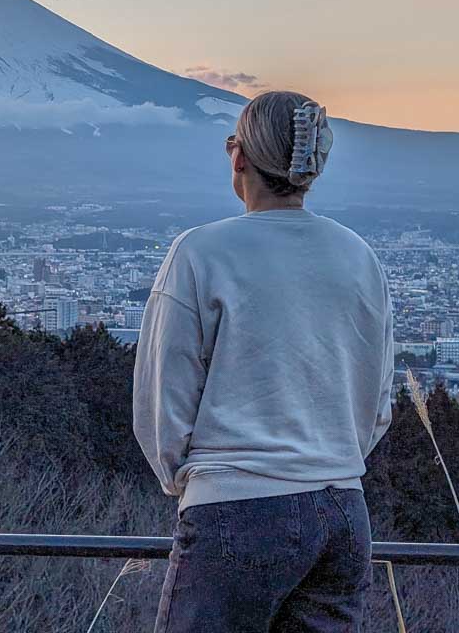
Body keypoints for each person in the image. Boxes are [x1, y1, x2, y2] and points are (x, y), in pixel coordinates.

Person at [133, 91, 395, 632]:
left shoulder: (201, 252)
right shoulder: (357, 256)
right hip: (343, 509)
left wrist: (193, 480)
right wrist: (329, 459)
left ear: (239, 157)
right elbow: (376, 401)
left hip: (236, 503)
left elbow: (163, 398)